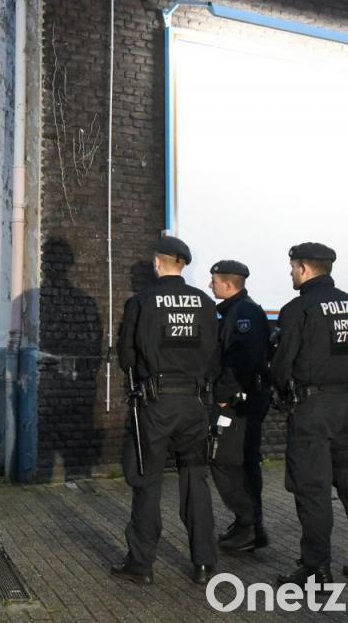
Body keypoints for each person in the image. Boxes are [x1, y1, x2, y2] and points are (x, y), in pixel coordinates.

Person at [271, 243, 348, 587]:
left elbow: (282, 364)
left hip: (313, 409)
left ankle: (316, 569)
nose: (290, 273)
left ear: (305, 268)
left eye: (293, 267)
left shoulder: (298, 309)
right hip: (347, 405)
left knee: (312, 487)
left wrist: (278, 388)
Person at [112, 236, 220, 585]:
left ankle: (141, 564)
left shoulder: (141, 302)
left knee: (148, 482)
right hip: (194, 405)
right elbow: (215, 355)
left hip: (155, 405)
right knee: (195, 481)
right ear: (183, 264)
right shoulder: (205, 303)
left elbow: (126, 357)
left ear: (158, 263)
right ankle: (203, 563)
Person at [207, 260, 271, 553]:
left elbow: (242, 359)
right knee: (243, 461)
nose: (210, 286)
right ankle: (250, 524)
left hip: (238, 403)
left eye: (214, 281)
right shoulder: (237, 310)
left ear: (228, 284)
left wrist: (223, 395)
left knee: (223, 459)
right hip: (244, 400)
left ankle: (249, 524)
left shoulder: (243, 313)